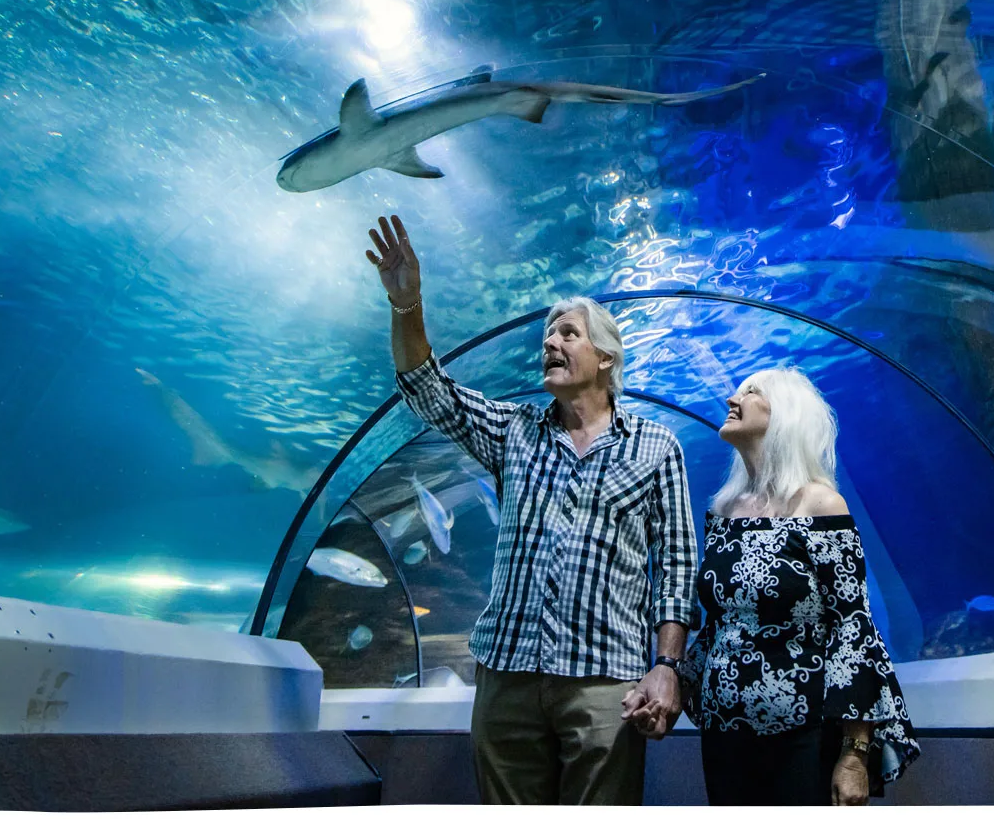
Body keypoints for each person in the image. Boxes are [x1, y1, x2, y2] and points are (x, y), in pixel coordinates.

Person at [364, 214, 698, 806]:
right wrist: (406, 305)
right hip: (508, 674)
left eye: (567, 333)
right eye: (547, 335)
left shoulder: (657, 446)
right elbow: (425, 387)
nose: (549, 342)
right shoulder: (515, 431)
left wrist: (667, 666)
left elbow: (676, 568)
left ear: (605, 358)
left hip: (605, 681)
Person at [625, 367, 920, 805]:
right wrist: (668, 692)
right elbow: (719, 629)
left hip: (805, 733)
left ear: (785, 413)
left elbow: (852, 628)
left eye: (750, 391)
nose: (733, 396)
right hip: (725, 735)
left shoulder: (820, 503)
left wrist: (855, 753)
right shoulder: (724, 511)